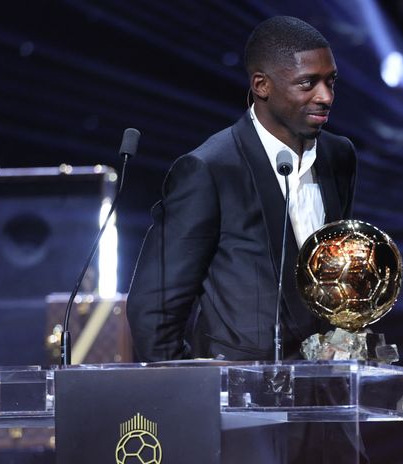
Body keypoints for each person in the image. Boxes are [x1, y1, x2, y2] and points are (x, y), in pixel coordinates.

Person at [127, 16, 362, 463]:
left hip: (331, 409)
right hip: (242, 418)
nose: (326, 97)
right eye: (308, 83)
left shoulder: (340, 157)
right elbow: (155, 310)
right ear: (262, 85)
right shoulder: (210, 169)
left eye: (331, 82)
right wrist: (191, 402)